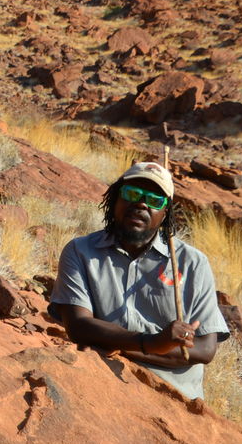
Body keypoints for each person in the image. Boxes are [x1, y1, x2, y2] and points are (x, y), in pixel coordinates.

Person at [48, 161, 229, 400]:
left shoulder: (192, 263)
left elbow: (205, 349)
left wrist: (117, 343)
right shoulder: (80, 251)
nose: (142, 204)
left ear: (166, 213)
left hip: (173, 396)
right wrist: (152, 343)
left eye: (155, 200)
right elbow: (78, 326)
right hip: (99, 381)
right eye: (132, 193)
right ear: (115, 199)